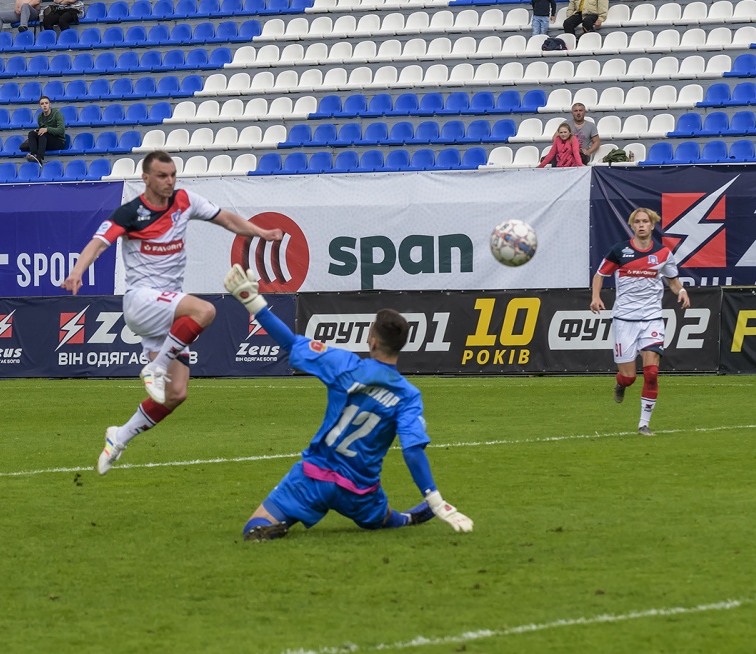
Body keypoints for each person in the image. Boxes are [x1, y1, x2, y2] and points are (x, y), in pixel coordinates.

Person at [59, 151, 285, 475]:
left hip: (166, 311)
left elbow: (226, 219)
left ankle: (119, 436)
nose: (169, 181)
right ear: (146, 178)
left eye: (173, 175)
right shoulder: (130, 212)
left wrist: (260, 233)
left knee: (176, 393)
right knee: (205, 310)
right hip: (141, 300)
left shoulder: (184, 200)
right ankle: (156, 367)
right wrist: (77, 271)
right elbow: (98, 242)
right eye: (162, 176)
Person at [223, 264, 474, 541]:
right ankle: (407, 518)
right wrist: (436, 500)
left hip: (313, 475)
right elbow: (413, 450)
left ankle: (276, 525)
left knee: (255, 526)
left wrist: (252, 301)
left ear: (373, 342)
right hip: (359, 489)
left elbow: (291, 343)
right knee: (382, 519)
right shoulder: (408, 395)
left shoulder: (345, 365)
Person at [589, 208, 690, 436]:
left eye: (645, 221)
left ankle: (643, 424)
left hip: (652, 318)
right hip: (624, 319)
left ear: (652, 225)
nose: (641, 225)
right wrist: (595, 297)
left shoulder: (663, 253)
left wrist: (682, 291)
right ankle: (621, 383)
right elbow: (600, 275)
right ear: (632, 225)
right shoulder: (619, 251)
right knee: (629, 377)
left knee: (652, 372)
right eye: (637, 222)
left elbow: (673, 281)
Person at [19, 96, 65, 165]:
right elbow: (42, 129)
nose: (44, 105)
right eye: (42, 104)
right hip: (46, 140)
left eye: (46, 103)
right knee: (31, 133)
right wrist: (38, 130)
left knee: (43, 134)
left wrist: (47, 129)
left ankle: (39, 157)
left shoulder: (57, 114)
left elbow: (61, 130)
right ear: (40, 106)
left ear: (50, 104)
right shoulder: (40, 116)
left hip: (58, 141)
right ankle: (34, 155)